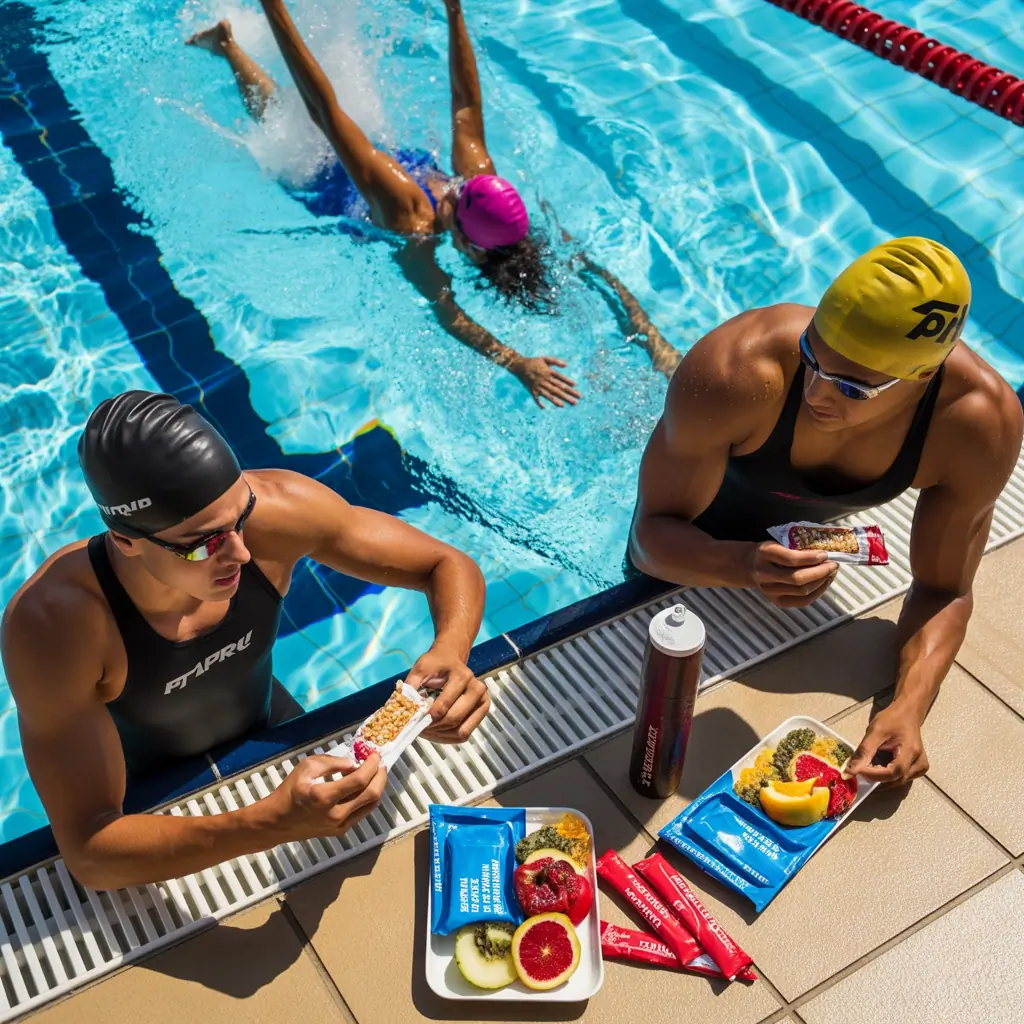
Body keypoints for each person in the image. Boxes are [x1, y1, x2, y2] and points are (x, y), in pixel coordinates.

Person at [1, 391, 490, 889]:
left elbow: (445, 564)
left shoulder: (276, 513)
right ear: (126, 540)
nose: (239, 550)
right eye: (203, 543)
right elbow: (90, 852)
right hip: (151, 808)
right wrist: (269, 824)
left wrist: (451, 650)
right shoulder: (56, 625)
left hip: (271, 728)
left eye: (240, 515)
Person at [628, 237, 1023, 787]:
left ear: (923, 377)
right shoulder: (739, 369)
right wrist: (740, 565)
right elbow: (649, 541)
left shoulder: (978, 424)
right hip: (694, 527)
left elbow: (945, 589)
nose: (816, 393)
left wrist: (907, 706)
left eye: (852, 387)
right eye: (812, 358)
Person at [187, 0, 581, 409]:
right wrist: (455, 12)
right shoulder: (443, 198)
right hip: (342, 170)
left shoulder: (439, 200)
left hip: (337, 177)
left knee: (286, 129)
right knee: (298, 133)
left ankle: (229, 47)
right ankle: (227, 45)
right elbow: (463, 102)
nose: (456, 184)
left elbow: (449, 314)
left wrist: (517, 364)